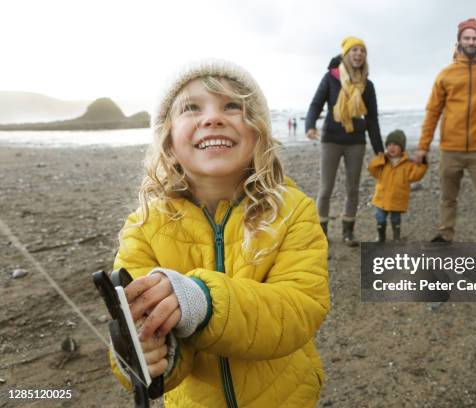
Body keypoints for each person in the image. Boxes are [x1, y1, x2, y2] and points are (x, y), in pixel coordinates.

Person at [107, 60, 330, 407]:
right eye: (191, 108)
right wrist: (147, 356)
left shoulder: (293, 211)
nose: (213, 118)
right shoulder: (143, 227)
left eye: (232, 106)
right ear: (167, 138)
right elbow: (137, 335)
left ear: (258, 132)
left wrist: (202, 300)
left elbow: (300, 310)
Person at [413, 18, 476, 266]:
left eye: (475, 38)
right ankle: (445, 235)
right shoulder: (446, 74)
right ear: (459, 40)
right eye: (467, 38)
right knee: (448, 197)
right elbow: (433, 112)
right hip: (451, 148)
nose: (471, 42)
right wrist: (423, 146)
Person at [305, 36, 384, 247]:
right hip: (331, 139)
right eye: (354, 50)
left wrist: (380, 150)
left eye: (362, 51)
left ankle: (348, 232)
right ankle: (321, 232)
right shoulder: (331, 78)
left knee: (352, 188)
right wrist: (310, 125)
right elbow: (316, 104)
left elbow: (372, 120)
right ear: (346, 54)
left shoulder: (368, 85)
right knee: (326, 188)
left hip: (356, 142)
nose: (359, 54)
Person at [368, 130, 428, 242]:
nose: (392, 147)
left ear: (402, 147)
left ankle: (396, 238)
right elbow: (372, 168)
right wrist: (380, 158)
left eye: (395, 145)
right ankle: (381, 238)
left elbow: (417, 175)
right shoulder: (383, 162)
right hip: (381, 197)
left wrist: (423, 163)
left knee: (396, 219)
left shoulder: (408, 164)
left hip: (397, 198)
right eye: (389, 145)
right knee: (380, 218)